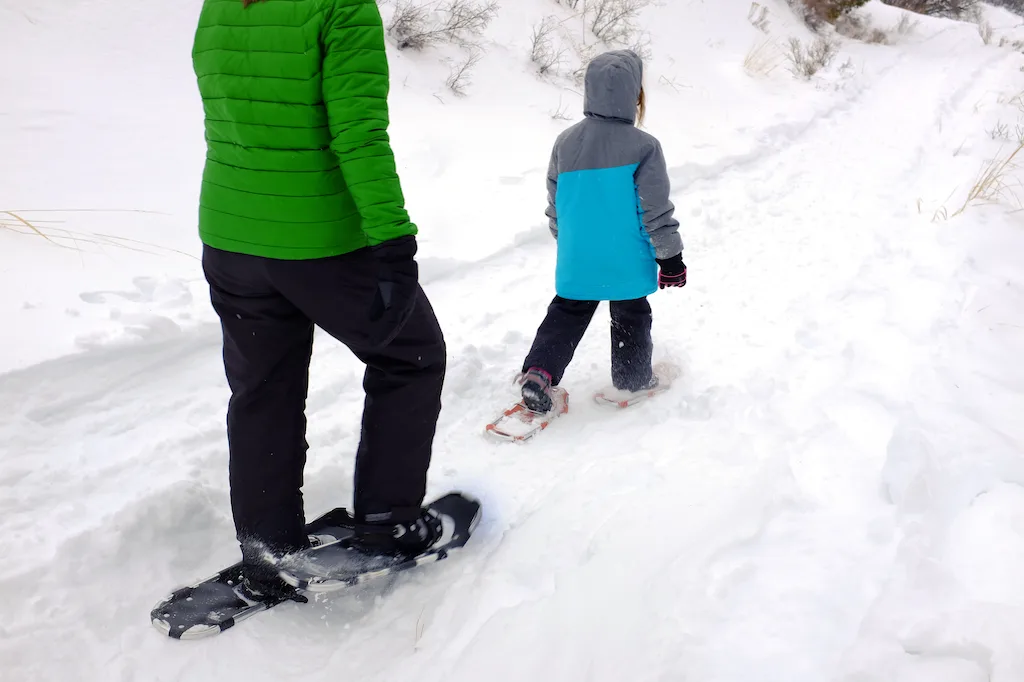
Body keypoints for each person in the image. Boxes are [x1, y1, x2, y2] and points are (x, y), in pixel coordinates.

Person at [192, 0, 445, 603]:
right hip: (318, 240)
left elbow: (232, 105)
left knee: (262, 389)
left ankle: (267, 545)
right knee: (411, 355)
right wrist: (392, 240)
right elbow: (357, 132)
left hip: (231, 234)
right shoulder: (341, 7)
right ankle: (388, 524)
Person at [518, 49, 686, 413]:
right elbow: (654, 209)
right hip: (625, 258)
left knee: (566, 313)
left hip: (578, 256)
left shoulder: (565, 142)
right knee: (631, 313)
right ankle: (632, 379)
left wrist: (570, 244)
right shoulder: (644, 146)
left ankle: (538, 373)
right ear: (634, 95)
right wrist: (671, 258)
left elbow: (555, 204)